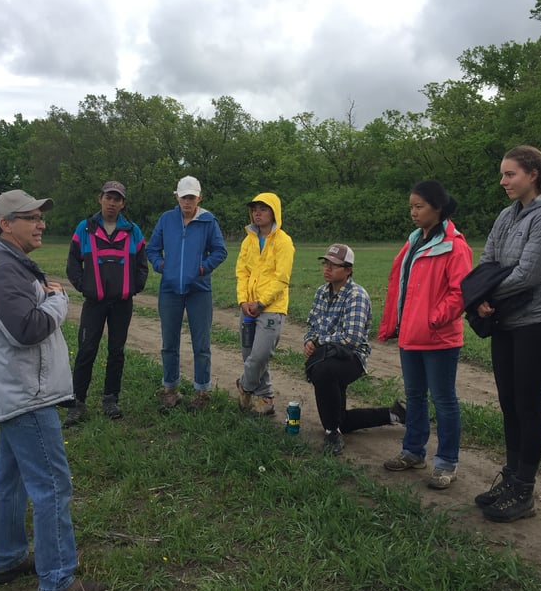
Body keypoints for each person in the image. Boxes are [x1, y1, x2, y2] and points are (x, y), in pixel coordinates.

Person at [0, 190, 106, 591]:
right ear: (5, 225)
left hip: (18, 392)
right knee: (52, 484)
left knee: (10, 478)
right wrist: (58, 301)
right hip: (26, 397)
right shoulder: (2, 271)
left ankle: (9, 557)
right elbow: (27, 329)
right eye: (30, 217)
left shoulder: (11, 265)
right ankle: (57, 581)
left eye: (40, 217)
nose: (41, 224)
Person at [471, 146, 541, 521]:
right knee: (508, 402)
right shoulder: (507, 215)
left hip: (537, 324)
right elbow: (489, 261)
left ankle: (524, 490)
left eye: (509, 174)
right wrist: (481, 294)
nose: (503, 182)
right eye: (502, 174)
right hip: (506, 322)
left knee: (528, 406)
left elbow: (529, 274)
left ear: (533, 174)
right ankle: (511, 479)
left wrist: (489, 294)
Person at [379, 181, 473, 490]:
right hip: (410, 335)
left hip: (439, 339)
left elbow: (459, 293)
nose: (413, 213)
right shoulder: (414, 241)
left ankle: (446, 463)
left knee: (444, 401)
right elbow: (400, 285)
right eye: (411, 207)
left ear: (438, 207)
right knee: (414, 397)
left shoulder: (455, 246)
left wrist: (434, 319)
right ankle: (412, 452)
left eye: (419, 206)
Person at [304, 244, 406, 455]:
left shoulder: (357, 295)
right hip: (326, 355)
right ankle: (394, 414)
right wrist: (309, 341)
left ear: (348, 269)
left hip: (352, 359)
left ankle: (332, 434)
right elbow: (311, 324)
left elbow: (352, 338)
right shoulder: (321, 292)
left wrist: (319, 342)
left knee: (322, 372)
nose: (327, 269)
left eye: (334, 265)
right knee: (341, 419)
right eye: (326, 263)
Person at [63, 180, 148, 426]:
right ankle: (77, 402)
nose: (112, 203)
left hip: (122, 303)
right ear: (100, 199)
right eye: (108, 197)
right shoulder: (85, 228)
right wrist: (85, 286)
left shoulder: (132, 230)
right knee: (86, 349)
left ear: (123, 203)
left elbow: (142, 264)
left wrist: (135, 287)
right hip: (94, 303)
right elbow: (72, 262)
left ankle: (111, 399)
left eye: (117, 199)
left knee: (116, 351)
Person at [147, 176, 228, 412]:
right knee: (168, 342)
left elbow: (220, 251)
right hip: (170, 289)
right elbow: (152, 249)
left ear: (199, 198)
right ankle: (170, 389)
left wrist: (202, 268)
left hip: (199, 290)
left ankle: (202, 391)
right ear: (177, 197)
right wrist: (162, 265)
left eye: (192, 197)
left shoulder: (208, 221)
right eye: (184, 197)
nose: (187, 201)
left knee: (201, 344)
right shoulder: (167, 219)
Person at [235, 192, 295, 416]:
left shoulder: (284, 242)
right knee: (248, 354)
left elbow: (282, 278)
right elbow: (242, 272)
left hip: (271, 308)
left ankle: (244, 386)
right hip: (248, 307)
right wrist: (243, 300)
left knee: (259, 355)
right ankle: (267, 398)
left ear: (274, 212)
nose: (257, 213)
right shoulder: (248, 240)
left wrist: (261, 303)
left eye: (263, 208)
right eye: (254, 209)